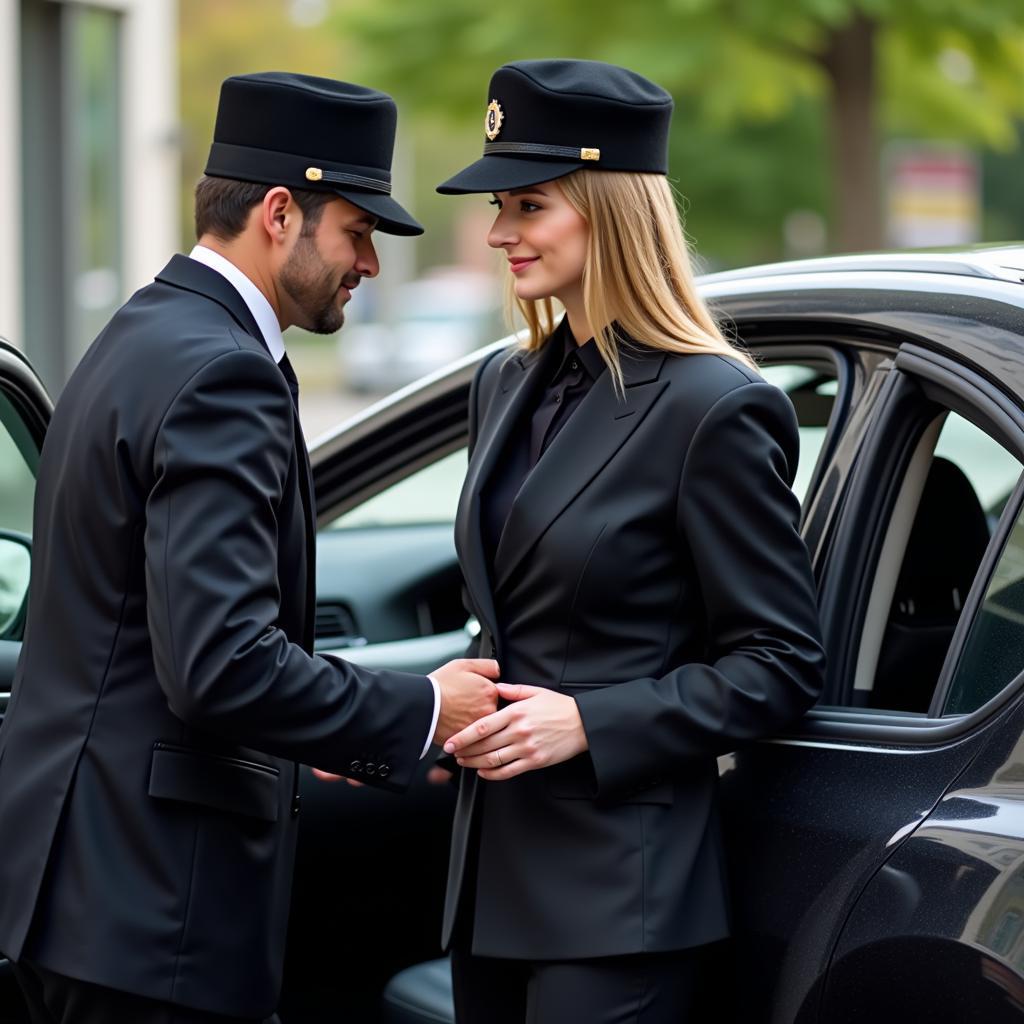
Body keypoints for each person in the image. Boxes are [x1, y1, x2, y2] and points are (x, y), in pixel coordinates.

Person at [0, 72, 499, 1024]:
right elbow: (220, 665)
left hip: (80, 896)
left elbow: (145, 640)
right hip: (156, 913)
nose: (370, 265)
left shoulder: (143, 332)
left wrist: (316, 728)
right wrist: (424, 707)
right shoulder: (226, 373)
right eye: (358, 232)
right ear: (281, 212)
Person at [435, 59, 826, 1023]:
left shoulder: (715, 407)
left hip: (623, 901)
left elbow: (778, 663)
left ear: (609, 210)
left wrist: (591, 721)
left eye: (529, 206)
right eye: (500, 207)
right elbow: (524, 602)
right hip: (489, 882)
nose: (499, 233)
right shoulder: (506, 381)